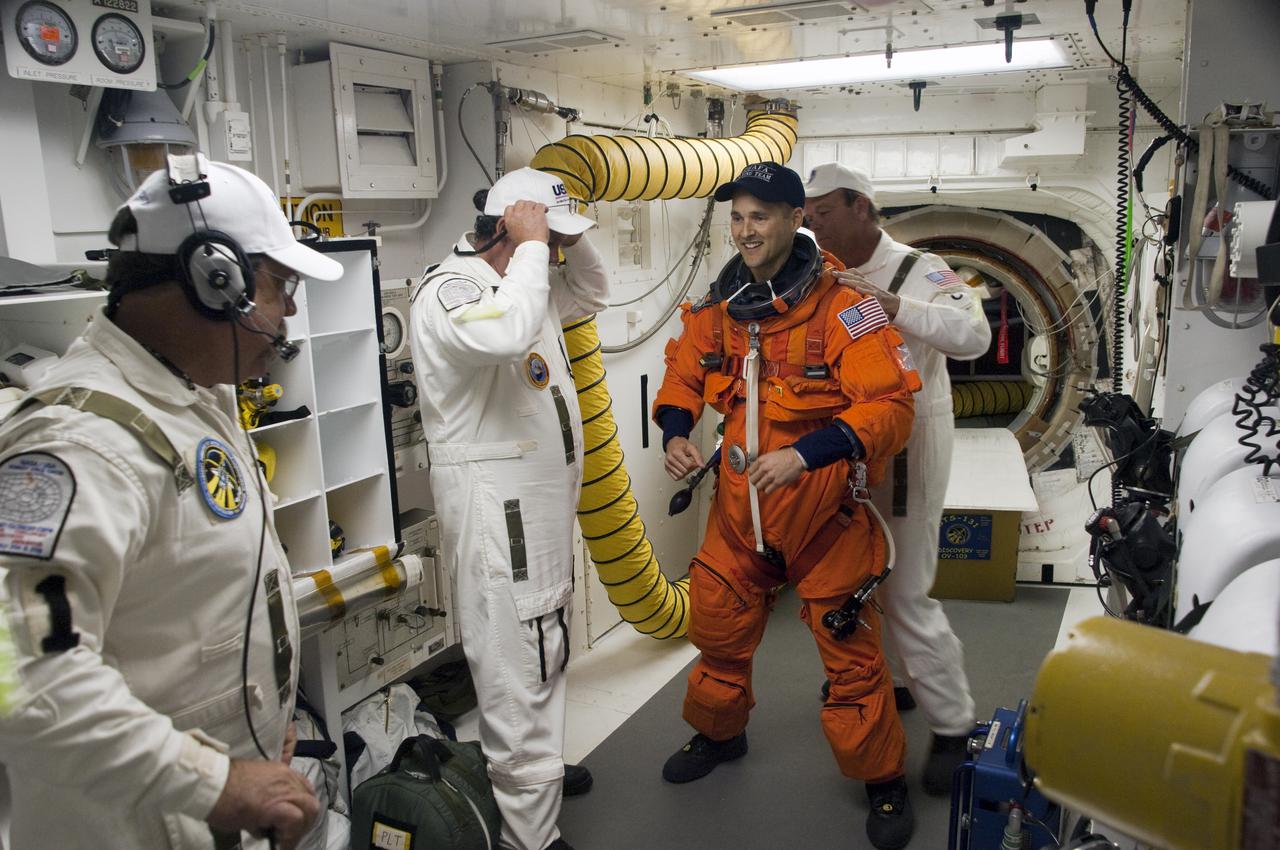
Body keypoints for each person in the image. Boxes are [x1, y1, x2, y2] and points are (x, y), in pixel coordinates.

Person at [0, 154, 343, 849]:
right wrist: (215, 782)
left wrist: (263, 711)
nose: (289, 315)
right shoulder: (79, 444)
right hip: (138, 823)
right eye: (280, 286)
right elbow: (24, 676)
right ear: (215, 282)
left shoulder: (194, 397)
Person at [654, 162, 920, 850]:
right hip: (741, 519)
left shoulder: (844, 308)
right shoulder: (720, 308)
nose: (744, 230)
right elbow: (683, 373)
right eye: (736, 217)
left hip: (823, 520)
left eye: (760, 216)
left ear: (794, 219)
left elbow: (889, 409)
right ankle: (720, 736)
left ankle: (885, 783)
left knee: (852, 662)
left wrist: (806, 454)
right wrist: (677, 433)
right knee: (717, 635)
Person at [407, 167, 609, 850]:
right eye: (549, 244)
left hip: (540, 514)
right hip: (502, 521)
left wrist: (556, 237)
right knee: (514, 668)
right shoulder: (452, 291)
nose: (555, 258)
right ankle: (531, 838)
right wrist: (528, 244)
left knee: (546, 651)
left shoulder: (528, 285)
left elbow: (596, 289)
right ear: (506, 231)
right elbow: (503, 337)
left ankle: (539, 774)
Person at [804, 162, 992, 795]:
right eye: (805, 213)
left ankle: (953, 725)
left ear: (861, 206)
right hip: (848, 439)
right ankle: (893, 681)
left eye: (822, 211)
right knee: (857, 572)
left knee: (907, 588)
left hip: (909, 441)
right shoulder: (818, 268)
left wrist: (893, 307)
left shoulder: (920, 269)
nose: (810, 223)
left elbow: (973, 334)